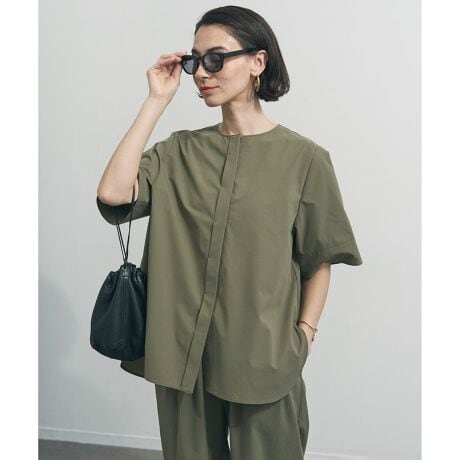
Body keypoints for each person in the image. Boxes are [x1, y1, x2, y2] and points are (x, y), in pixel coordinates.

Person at [96, 5, 363, 459]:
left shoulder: (304, 159)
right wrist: (156, 101)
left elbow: (319, 258)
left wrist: (303, 334)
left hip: (264, 356)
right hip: (182, 357)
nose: (202, 72)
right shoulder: (178, 152)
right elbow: (114, 194)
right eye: (195, 61)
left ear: (258, 62)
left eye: (216, 58)